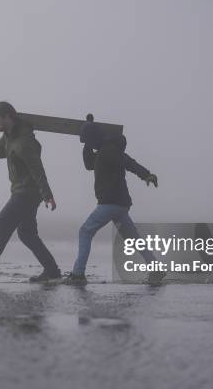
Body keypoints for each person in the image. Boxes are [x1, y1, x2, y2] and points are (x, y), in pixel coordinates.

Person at [0, 101, 62, 283]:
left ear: (8, 117)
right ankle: (52, 271)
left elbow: (38, 169)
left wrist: (48, 195)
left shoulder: (24, 141)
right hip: (21, 190)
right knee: (27, 234)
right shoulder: (9, 137)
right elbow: (1, 152)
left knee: (1, 222)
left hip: (27, 192)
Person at [63, 114, 166, 286]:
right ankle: (156, 268)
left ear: (94, 138)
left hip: (110, 203)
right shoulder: (103, 151)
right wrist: (87, 142)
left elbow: (129, 162)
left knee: (85, 231)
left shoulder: (109, 150)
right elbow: (89, 164)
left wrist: (146, 174)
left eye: (88, 140)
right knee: (133, 238)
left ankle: (78, 274)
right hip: (120, 205)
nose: (87, 144)